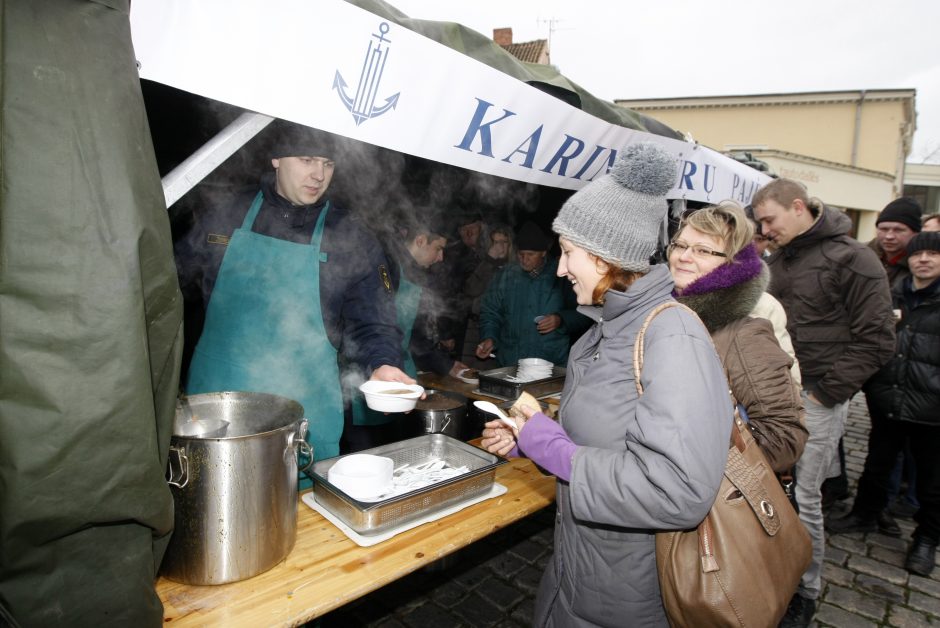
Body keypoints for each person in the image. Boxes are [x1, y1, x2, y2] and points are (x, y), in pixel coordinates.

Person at [481, 143, 732, 626]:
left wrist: (557, 451)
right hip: (575, 575)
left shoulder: (672, 335)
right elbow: (605, 433)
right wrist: (529, 438)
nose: (560, 268)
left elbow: (678, 490)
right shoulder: (597, 335)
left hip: (628, 598)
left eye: (569, 253)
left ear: (607, 257)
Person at [179, 121, 412, 482]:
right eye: (307, 160)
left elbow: (375, 321)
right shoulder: (227, 213)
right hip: (216, 411)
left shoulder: (350, 235)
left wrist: (383, 364)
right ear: (276, 159)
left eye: (328, 164)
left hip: (301, 420)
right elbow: (170, 284)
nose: (318, 174)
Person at [752, 178, 896, 627]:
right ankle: (769, 572)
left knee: (803, 498)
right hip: (769, 392)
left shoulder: (855, 259)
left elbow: (877, 340)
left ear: (798, 207)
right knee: (767, 490)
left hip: (815, 394)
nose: (765, 229)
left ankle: (806, 590)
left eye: (769, 220)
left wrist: (822, 392)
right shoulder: (779, 256)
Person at [827, 231, 940, 576]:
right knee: (878, 464)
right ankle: (865, 514)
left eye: (933, 254)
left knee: (932, 480)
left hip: (931, 408)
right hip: (888, 398)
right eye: (919, 255)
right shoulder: (893, 294)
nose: (924, 260)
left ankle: (927, 537)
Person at [668, 202, 807, 473]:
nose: (684, 256)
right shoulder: (665, 307)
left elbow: (783, 437)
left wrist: (697, 467)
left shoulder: (751, 320)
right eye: (680, 245)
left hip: (706, 485)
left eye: (703, 250)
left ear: (732, 263)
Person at [344, 213, 467, 450]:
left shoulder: (416, 275)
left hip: (400, 383)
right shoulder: (384, 267)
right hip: (367, 381)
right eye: (438, 248)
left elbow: (413, 336)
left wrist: (446, 365)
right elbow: (362, 326)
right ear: (421, 240)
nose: (441, 258)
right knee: (365, 456)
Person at [475, 221, 587, 367]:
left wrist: (561, 319)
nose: (524, 259)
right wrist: (489, 337)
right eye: (521, 254)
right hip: (511, 361)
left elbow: (583, 313)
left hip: (550, 361)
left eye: (530, 254)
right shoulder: (506, 275)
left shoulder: (561, 276)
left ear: (543, 252)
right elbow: (491, 311)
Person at [460, 223, 513, 367]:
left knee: (494, 373)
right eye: (496, 242)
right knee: (470, 373)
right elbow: (470, 289)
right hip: (474, 327)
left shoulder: (515, 269)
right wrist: (489, 260)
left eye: (504, 242)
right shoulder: (484, 263)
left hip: (501, 329)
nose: (500, 246)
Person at [869, 197, 922, 288]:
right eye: (884, 229)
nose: (889, 236)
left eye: (898, 230)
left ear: (915, 233)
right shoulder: (858, 255)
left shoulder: (925, 264)